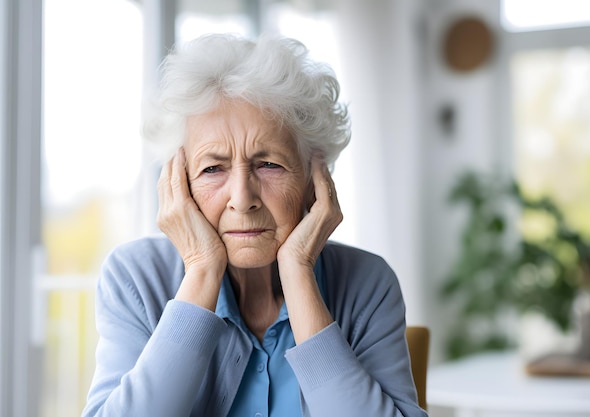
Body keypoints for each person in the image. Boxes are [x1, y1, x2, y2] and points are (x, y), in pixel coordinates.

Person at [82, 33, 427, 417]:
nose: (242, 197)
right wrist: (201, 271)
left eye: (269, 164)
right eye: (213, 168)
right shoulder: (135, 278)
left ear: (315, 180)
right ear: (178, 184)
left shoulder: (367, 282)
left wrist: (298, 274)